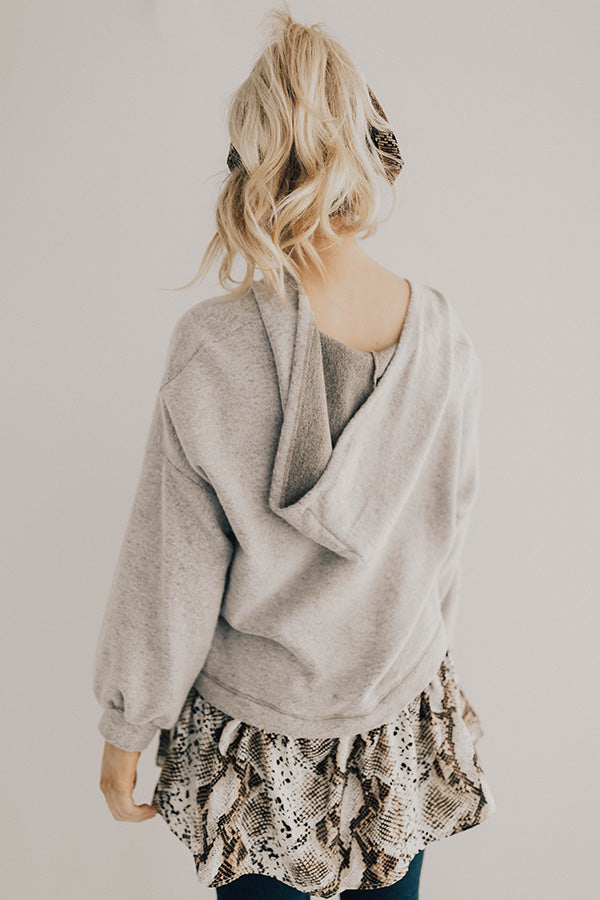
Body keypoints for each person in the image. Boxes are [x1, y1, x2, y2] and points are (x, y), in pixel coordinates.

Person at [92, 5, 496, 898]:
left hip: (255, 742)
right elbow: (445, 543)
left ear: (250, 170)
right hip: (397, 724)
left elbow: (173, 568)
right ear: (375, 153)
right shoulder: (445, 342)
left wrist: (128, 726)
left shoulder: (214, 347)